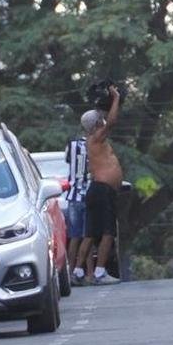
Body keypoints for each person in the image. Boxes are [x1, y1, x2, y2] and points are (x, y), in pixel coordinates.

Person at [73, 85, 123, 285]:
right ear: (95, 125)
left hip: (97, 190)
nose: (103, 120)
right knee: (108, 232)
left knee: (91, 234)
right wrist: (116, 98)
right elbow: (112, 122)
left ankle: (78, 271)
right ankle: (100, 273)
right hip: (103, 191)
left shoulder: (94, 140)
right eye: (100, 120)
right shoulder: (96, 137)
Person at [64, 133, 90, 285]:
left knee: (74, 237)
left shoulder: (72, 144)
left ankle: (70, 272)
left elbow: (67, 160)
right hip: (88, 195)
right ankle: (89, 273)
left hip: (73, 195)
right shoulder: (93, 144)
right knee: (89, 236)